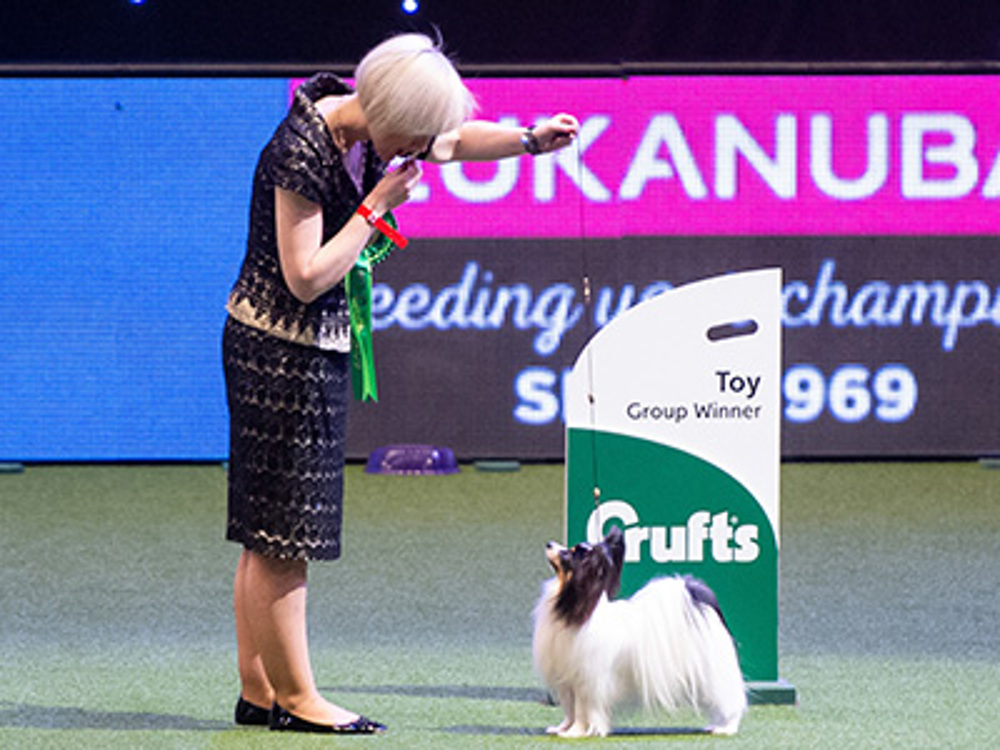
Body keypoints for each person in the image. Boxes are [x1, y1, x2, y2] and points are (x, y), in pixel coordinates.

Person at [222, 32, 578, 734]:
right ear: (384, 108)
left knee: (266, 532)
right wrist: (377, 204)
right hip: (277, 353)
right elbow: (307, 275)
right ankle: (298, 702)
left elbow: (453, 141)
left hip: (306, 346)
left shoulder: (367, 124)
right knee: (285, 536)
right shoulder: (299, 151)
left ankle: (258, 691)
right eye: (413, 134)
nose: (421, 150)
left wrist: (529, 141)